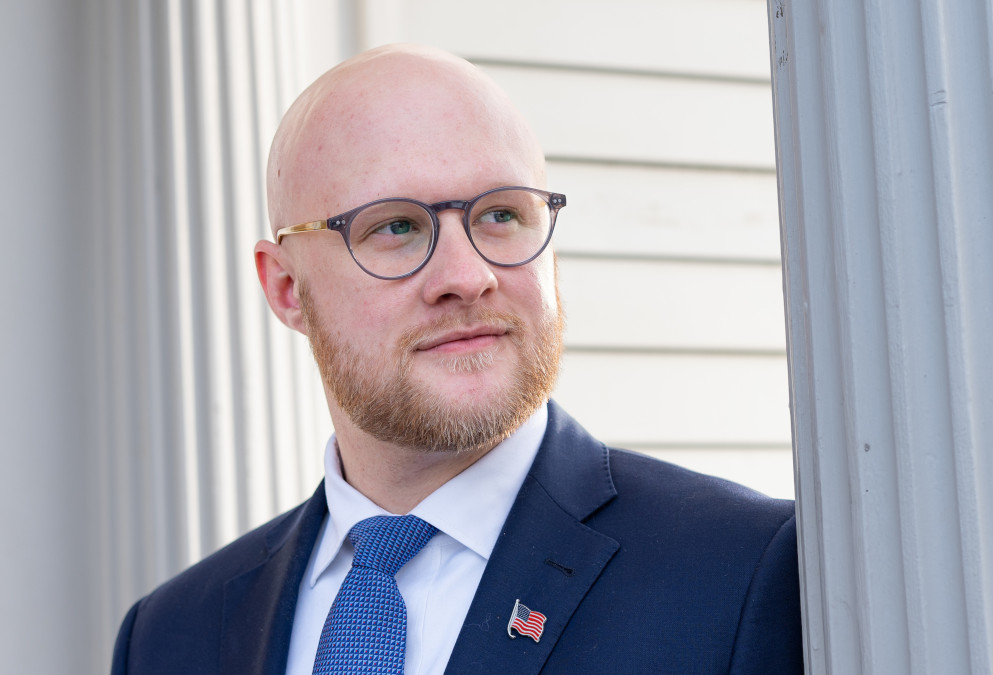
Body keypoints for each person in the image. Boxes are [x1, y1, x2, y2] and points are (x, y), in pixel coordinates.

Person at [111, 44, 801, 674]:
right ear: (286, 288)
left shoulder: (741, 573)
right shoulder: (170, 637)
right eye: (396, 227)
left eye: (501, 214)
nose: (468, 275)